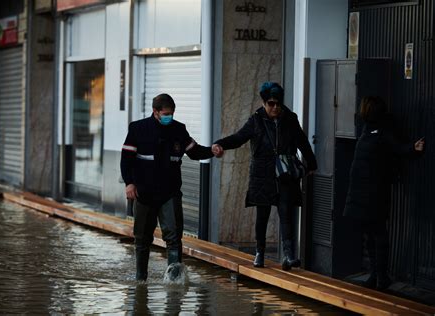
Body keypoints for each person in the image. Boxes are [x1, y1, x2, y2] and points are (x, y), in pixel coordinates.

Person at [212, 82, 317, 270]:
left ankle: (289, 255)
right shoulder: (256, 120)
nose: (275, 107)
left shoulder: (290, 119)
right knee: (263, 214)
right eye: (271, 103)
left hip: (284, 173)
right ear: (263, 102)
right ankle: (259, 252)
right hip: (262, 174)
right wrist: (219, 144)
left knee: (286, 212)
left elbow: (302, 141)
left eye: (278, 103)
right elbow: (239, 138)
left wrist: (312, 163)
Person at [120, 93, 215, 281]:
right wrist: (129, 183)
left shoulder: (178, 129)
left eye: (171, 113)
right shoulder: (138, 129)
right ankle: (141, 278)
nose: (168, 117)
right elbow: (126, 160)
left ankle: (174, 282)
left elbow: (195, 152)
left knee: (173, 238)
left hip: (169, 193)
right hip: (144, 193)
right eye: (165, 113)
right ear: (155, 111)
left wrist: (212, 150)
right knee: (142, 239)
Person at [343, 96, 425, 290]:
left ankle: (380, 275)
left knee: (375, 234)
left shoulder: (375, 130)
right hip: (368, 189)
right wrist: (412, 148)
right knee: (373, 234)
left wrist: (413, 148)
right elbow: (398, 148)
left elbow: (397, 148)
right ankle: (377, 274)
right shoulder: (373, 129)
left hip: (369, 189)